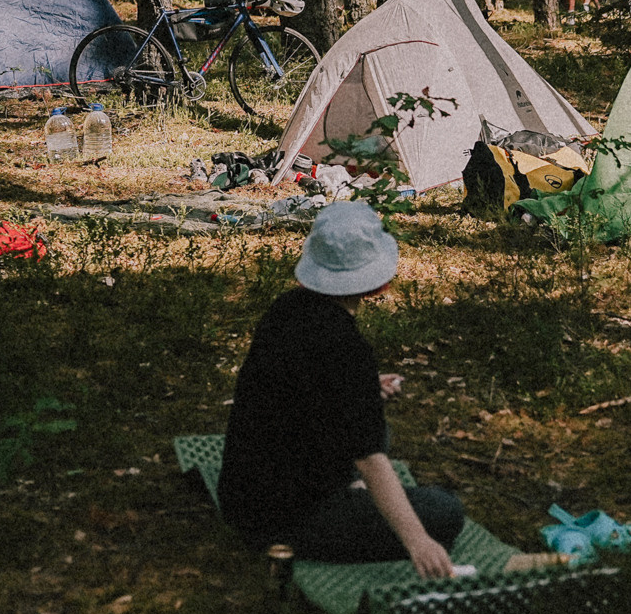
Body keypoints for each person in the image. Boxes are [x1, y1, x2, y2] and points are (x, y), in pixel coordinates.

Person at [220, 203, 550, 576]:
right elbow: (369, 457)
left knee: (380, 429)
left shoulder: (286, 309)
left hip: (241, 496)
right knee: (443, 511)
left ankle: (344, 497)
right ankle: (345, 508)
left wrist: (361, 390)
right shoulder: (347, 348)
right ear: (376, 280)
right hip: (286, 518)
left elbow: (289, 390)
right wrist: (417, 540)